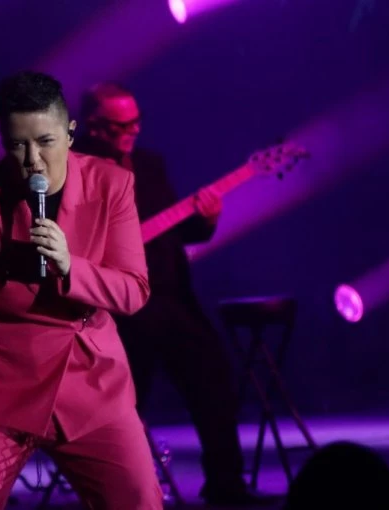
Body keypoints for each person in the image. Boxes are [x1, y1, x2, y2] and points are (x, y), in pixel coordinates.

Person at [0, 71, 163, 510]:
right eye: (18, 145)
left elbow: (133, 291)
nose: (33, 160)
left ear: (70, 133)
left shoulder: (111, 184)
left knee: (140, 500)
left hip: (90, 382)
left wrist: (72, 266)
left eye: (45, 142)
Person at [73, 82, 275, 506]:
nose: (133, 130)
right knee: (125, 404)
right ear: (93, 125)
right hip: (120, 308)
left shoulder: (149, 164)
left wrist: (206, 219)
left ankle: (226, 485)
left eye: (137, 121)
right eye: (121, 125)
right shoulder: (73, 169)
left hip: (171, 297)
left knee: (213, 381)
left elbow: (174, 232)